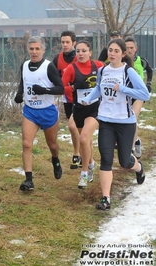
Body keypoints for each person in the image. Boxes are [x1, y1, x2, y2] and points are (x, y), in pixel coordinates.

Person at [82, 38, 150, 210]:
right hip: (105, 120)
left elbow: (144, 94)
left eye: (116, 51)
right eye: (110, 50)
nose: (112, 54)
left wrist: (123, 89)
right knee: (106, 158)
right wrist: (88, 99)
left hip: (125, 122)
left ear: (123, 54)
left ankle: (138, 167)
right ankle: (106, 199)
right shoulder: (103, 70)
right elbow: (98, 88)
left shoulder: (128, 71)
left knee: (124, 161)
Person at [14, 36, 64, 191]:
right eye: (31, 49)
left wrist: (44, 90)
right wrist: (20, 94)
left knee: (52, 144)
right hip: (30, 111)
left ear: (43, 50)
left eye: (37, 49)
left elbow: (60, 88)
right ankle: (28, 180)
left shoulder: (49, 67)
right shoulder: (24, 65)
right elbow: (24, 83)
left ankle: (55, 160)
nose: (34, 52)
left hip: (47, 111)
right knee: (26, 144)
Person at [62, 40, 104, 189]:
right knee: (84, 142)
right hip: (79, 109)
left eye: (84, 51)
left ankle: (84, 174)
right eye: (78, 51)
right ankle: (91, 163)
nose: (80, 54)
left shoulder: (99, 66)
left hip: (95, 109)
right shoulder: (71, 69)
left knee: (85, 138)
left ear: (90, 52)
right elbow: (62, 87)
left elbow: (107, 82)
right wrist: (73, 87)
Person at [52, 30, 81, 169]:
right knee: (73, 128)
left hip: (81, 99)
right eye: (62, 42)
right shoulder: (58, 59)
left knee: (75, 126)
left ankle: (78, 154)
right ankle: (79, 153)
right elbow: (53, 77)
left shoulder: (80, 56)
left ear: (73, 43)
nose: (64, 45)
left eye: (67, 42)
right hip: (67, 98)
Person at [124, 36, 153, 159]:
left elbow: (150, 70)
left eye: (131, 48)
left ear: (136, 48)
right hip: (125, 94)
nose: (129, 50)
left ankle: (130, 151)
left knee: (133, 118)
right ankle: (136, 141)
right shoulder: (121, 62)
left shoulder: (141, 61)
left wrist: (148, 84)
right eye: (127, 48)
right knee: (126, 120)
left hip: (138, 95)